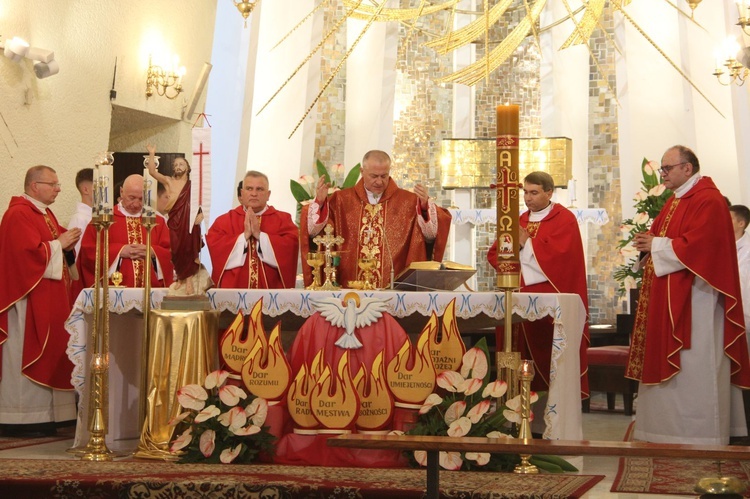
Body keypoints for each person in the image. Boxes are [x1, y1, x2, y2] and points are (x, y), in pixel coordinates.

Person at [626, 145, 750, 445]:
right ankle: (662, 431)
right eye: (662, 169)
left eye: (668, 168)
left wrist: (656, 245)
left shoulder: (709, 200)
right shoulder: (673, 202)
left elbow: (701, 247)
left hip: (698, 300)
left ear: (688, 169)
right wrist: (647, 245)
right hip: (669, 293)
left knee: (696, 367)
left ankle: (699, 434)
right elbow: (661, 239)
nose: (663, 174)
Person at [487, 171, 589, 399]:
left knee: (547, 361)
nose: (528, 198)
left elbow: (561, 258)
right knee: (516, 356)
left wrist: (527, 243)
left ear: (549, 192)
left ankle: (550, 413)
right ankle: (513, 409)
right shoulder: (518, 220)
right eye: (525, 192)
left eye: (534, 192)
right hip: (515, 300)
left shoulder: (564, 219)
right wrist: (518, 248)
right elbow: (495, 255)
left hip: (548, 305)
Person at [0, 165, 81, 435]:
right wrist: (59, 243)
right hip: (27, 300)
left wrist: (65, 245)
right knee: (27, 350)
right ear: (35, 186)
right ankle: (22, 417)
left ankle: (54, 415)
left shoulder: (44, 213)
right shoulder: (18, 214)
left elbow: (56, 248)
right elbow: (26, 257)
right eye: (53, 184)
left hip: (48, 297)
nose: (58, 189)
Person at [300, 150, 452, 288]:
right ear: (362, 171)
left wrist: (424, 207)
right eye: (374, 176)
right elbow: (314, 232)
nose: (379, 181)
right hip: (349, 289)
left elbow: (430, 235)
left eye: (384, 176)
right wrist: (320, 203)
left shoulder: (409, 201)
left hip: (394, 290)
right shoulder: (341, 200)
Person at [206, 171, 299, 288]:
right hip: (234, 292)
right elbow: (215, 247)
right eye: (249, 189)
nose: (254, 193)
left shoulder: (283, 220)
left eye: (260, 189)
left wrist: (260, 236)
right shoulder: (225, 221)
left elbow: (291, 246)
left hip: (271, 292)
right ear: (242, 192)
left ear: (268, 194)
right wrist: (243, 237)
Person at [79, 174, 173, 288]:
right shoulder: (103, 219)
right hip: (114, 292)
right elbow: (88, 252)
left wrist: (153, 252)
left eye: (141, 199)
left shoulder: (156, 221)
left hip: (151, 290)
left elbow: (171, 252)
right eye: (132, 198)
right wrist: (119, 251)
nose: (136, 204)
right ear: (121, 192)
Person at [146, 145, 210, 295]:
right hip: (175, 221)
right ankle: (180, 278)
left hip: (189, 222)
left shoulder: (193, 185)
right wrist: (151, 154)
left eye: (181, 164)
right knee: (176, 251)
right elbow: (152, 172)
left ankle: (188, 281)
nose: (178, 167)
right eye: (175, 165)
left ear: (187, 167)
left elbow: (201, 200)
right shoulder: (168, 181)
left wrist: (201, 215)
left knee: (189, 249)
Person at [67, 167, 94, 258]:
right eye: (99, 187)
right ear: (85, 190)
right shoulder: (79, 219)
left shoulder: (94, 216)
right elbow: (77, 255)